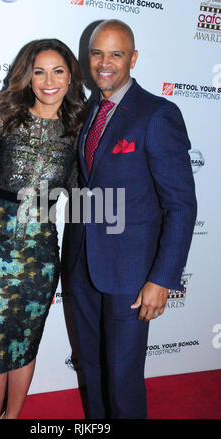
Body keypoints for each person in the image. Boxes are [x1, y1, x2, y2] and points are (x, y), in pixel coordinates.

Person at [63, 19, 197, 419]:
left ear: (133, 58)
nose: (105, 63)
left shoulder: (157, 114)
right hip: (82, 265)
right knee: (93, 367)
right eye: (97, 53)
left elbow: (181, 205)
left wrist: (162, 278)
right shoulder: (85, 112)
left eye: (116, 54)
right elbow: (81, 185)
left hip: (132, 275)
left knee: (122, 379)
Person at [0, 38, 86, 419]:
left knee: (26, 344)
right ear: (27, 77)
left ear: (70, 76)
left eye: (57, 71)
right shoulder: (4, 118)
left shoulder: (79, 129)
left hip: (41, 254)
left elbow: (79, 195)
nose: (48, 81)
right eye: (38, 71)